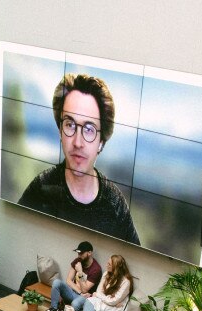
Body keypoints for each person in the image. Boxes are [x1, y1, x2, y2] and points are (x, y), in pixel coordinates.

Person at [18, 73, 139, 245]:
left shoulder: (115, 205)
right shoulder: (40, 189)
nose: (77, 142)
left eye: (89, 129)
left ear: (101, 142)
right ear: (60, 130)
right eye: (70, 125)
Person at [49, 240, 102, 311]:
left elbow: (85, 290)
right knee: (57, 282)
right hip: (75, 293)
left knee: (75, 303)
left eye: (81, 253)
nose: (79, 255)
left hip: (85, 298)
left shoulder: (96, 269)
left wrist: (80, 272)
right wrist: (79, 292)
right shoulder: (78, 261)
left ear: (89, 253)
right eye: (78, 253)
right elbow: (68, 280)